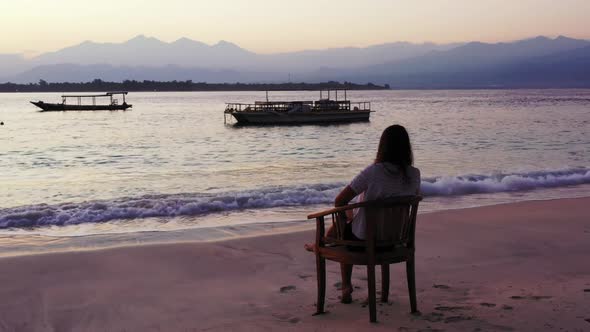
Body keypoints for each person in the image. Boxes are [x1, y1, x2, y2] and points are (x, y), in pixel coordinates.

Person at [306, 124, 421, 303]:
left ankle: (344, 283)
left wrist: (347, 217)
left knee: (341, 226)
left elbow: (339, 201)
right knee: (351, 219)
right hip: (394, 241)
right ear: (407, 148)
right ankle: (322, 247)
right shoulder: (414, 174)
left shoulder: (373, 172)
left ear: (382, 146)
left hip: (365, 242)